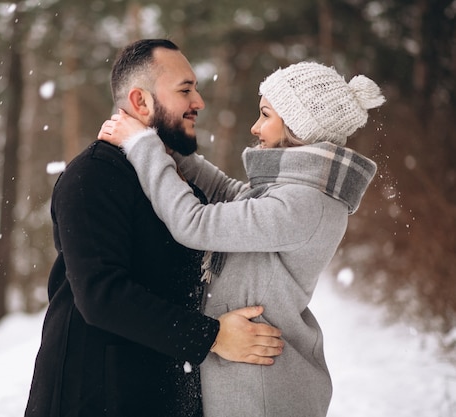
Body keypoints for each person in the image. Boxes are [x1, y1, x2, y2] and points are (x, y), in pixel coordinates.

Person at [98, 61, 385, 416]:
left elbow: (194, 223)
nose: (255, 126)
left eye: (265, 115)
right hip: (248, 376)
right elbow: (227, 192)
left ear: (299, 126)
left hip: (260, 390)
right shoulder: (296, 193)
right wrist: (165, 143)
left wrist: (143, 146)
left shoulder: (305, 204)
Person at [24, 39, 284, 417]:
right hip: (91, 400)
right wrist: (213, 336)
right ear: (141, 101)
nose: (199, 102)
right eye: (185, 89)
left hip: (160, 395)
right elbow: (101, 296)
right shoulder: (93, 175)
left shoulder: (175, 182)